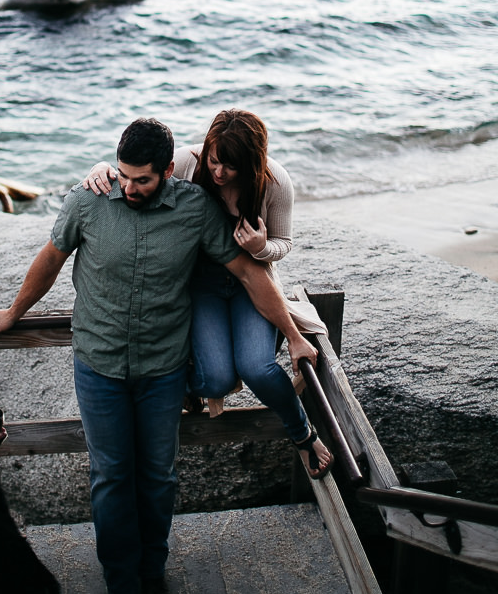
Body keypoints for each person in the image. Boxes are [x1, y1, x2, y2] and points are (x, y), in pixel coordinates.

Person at [0, 118, 316, 594]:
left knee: (157, 477)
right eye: (123, 176)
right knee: (112, 478)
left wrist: (292, 333)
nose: (130, 188)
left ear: (168, 171)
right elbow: (49, 259)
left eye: (143, 180)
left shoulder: (194, 208)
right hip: (100, 367)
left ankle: (153, 573)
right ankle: (121, 589)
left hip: (163, 370)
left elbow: (250, 274)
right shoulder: (89, 200)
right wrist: (13, 311)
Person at [84, 109, 333, 482]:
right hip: (200, 285)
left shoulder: (275, 182)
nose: (218, 173)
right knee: (216, 378)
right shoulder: (188, 161)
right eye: (215, 161)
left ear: (252, 163)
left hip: (253, 282)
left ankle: (302, 433)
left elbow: (285, 242)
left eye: (230, 167)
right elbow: (140, 173)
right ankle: (187, 383)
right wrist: (101, 167)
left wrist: (264, 248)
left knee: (258, 368)